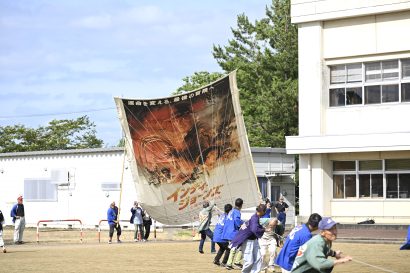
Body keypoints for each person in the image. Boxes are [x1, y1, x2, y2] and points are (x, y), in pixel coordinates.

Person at [230, 204, 267, 273]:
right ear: (262, 211)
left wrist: (262, 228)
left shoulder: (256, 217)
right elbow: (254, 229)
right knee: (249, 261)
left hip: (254, 240)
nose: (265, 213)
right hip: (247, 241)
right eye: (265, 211)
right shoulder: (254, 218)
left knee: (258, 259)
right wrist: (263, 230)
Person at [222, 198, 244, 269]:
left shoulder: (231, 211)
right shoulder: (237, 211)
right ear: (241, 205)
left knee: (236, 246)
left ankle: (232, 263)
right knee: (239, 246)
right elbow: (237, 221)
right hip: (233, 232)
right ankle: (233, 263)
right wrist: (242, 223)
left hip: (227, 231)